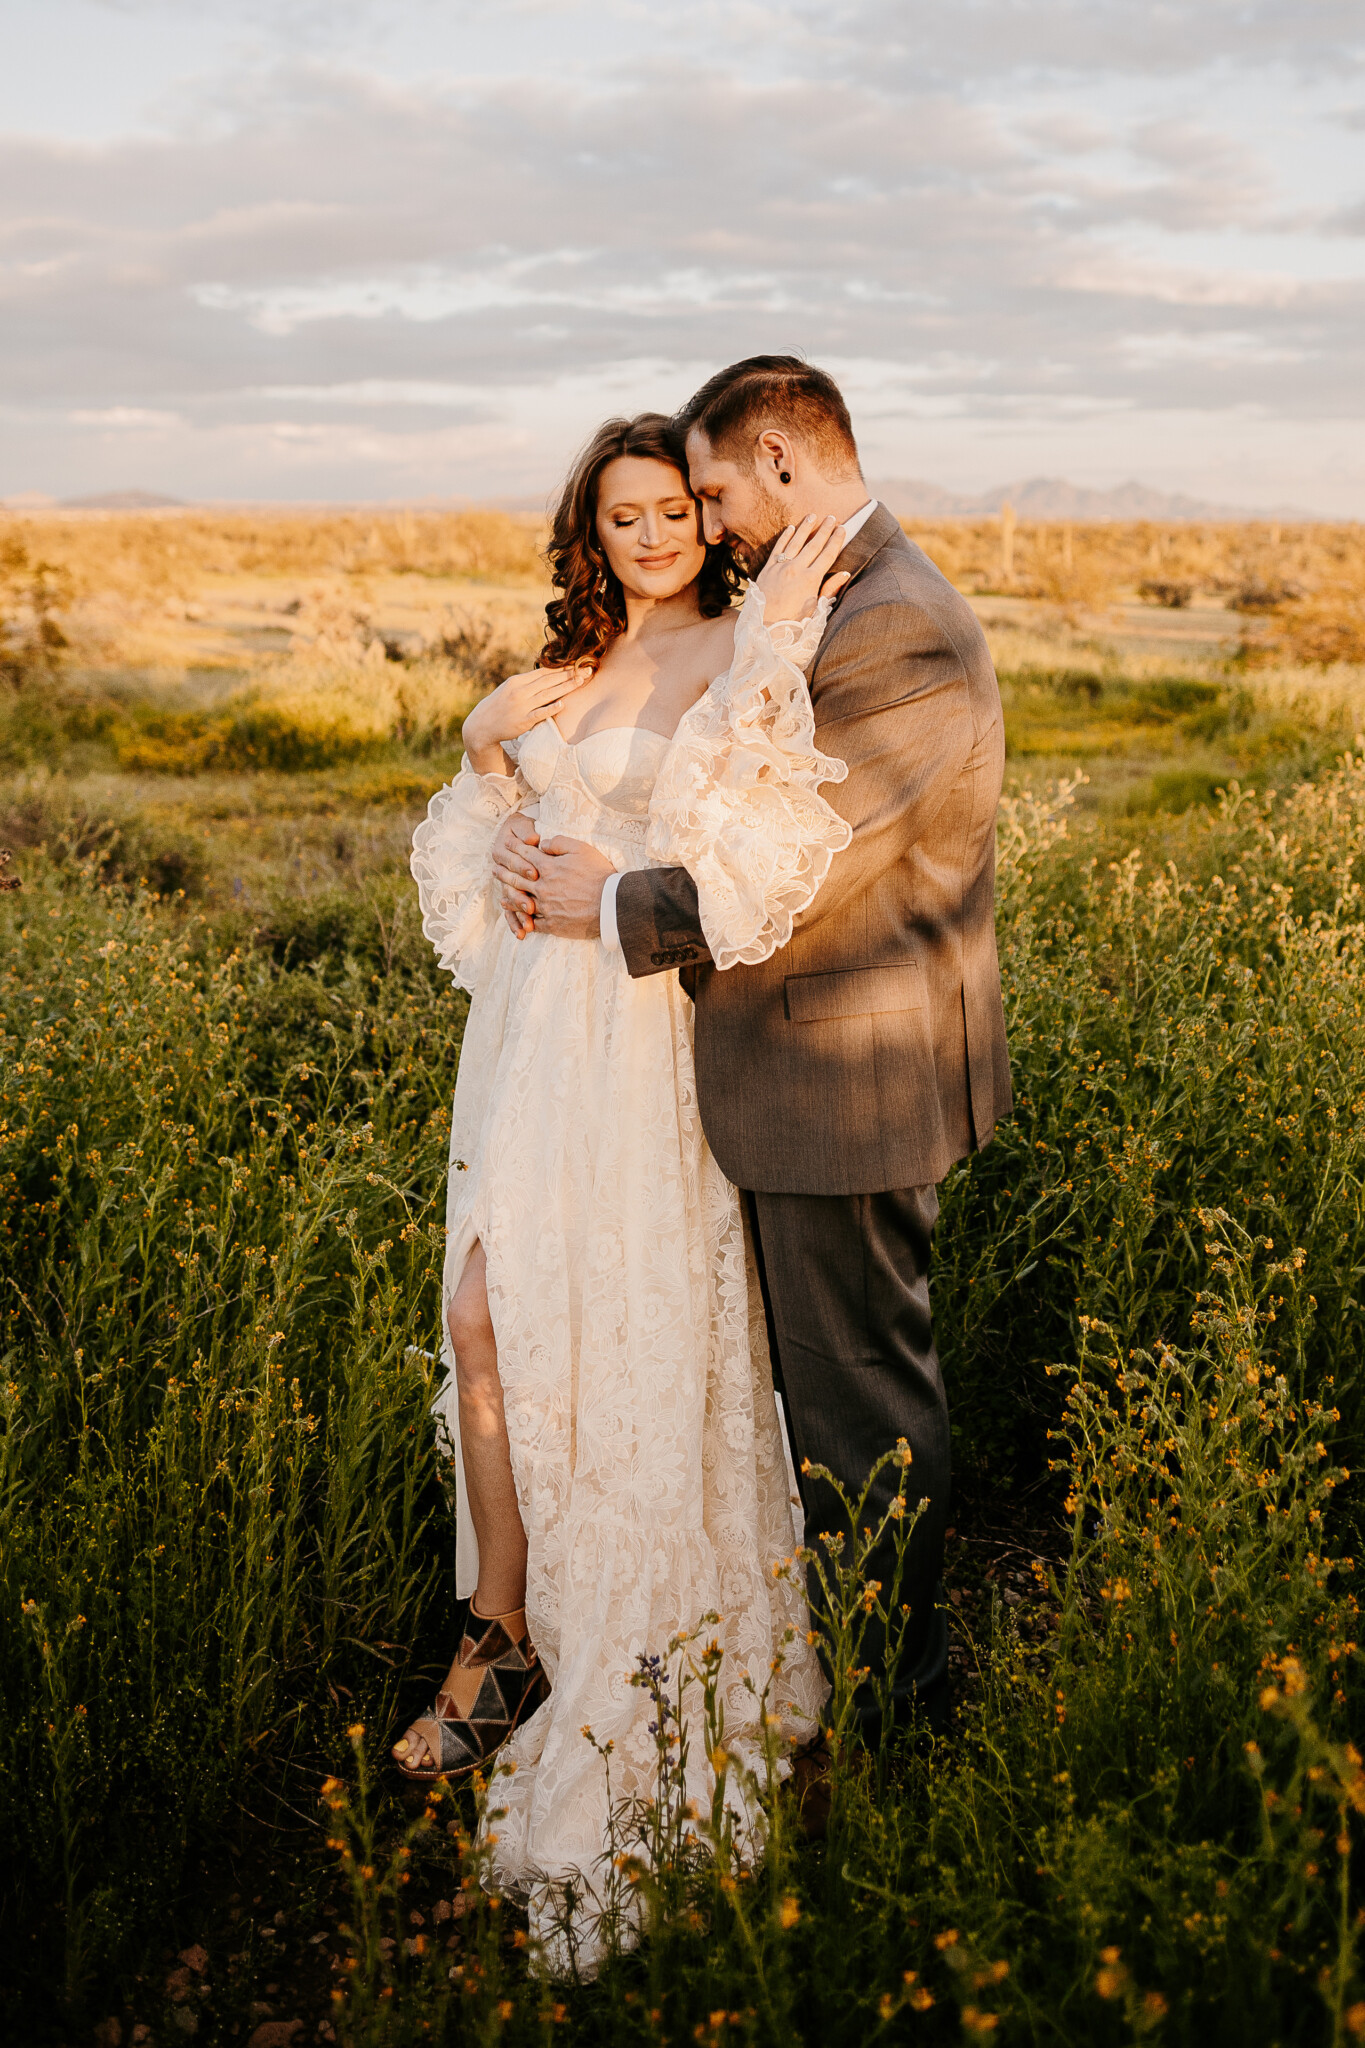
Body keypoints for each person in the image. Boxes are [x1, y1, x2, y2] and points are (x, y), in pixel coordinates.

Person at [493, 356, 1011, 1741]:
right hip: (808, 1055)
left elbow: (808, 859)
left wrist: (605, 902)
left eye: (713, 490)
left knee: (857, 1402)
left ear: (780, 462)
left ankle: (898, 1706)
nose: (706, 523)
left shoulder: (893, 624)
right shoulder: (843, 593)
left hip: (850, 1073)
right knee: (826, 1389)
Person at [395, 410, 847, 1964]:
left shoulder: (740, 651)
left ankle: (537, 1655)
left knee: (611, 1344)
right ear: (586, 535)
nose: (649, 536)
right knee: (482, 1320)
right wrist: (485, 762)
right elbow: (470, 898)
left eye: (669, 510)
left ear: (701, 521)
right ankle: (506, 1624)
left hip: (648, 1051)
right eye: (619, 517)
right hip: (530, 1044)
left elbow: (768, 875)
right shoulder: (561, 678)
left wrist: (764, 663)